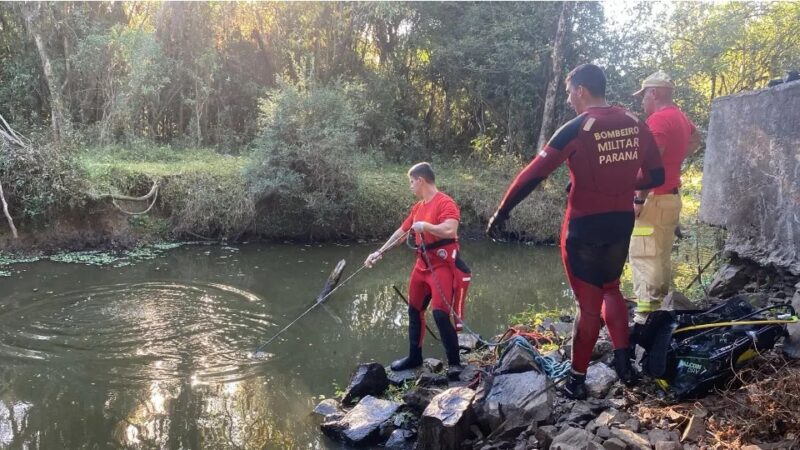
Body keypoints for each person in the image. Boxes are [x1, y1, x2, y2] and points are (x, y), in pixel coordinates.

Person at [486, 64, 665, 399]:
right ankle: (624, 364)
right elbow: (655, 177)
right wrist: (626, 183)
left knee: (587, 304)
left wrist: (502, 211)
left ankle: (577, 381)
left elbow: (534, 174)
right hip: (620, 223)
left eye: (569, 92)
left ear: (581, 89)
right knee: (611, 288)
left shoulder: (577, 128)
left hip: (583, 228)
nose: (569, 99)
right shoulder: (637, 124)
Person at [365, 162, 465, 379]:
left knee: (440, 313)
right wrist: (379, 252)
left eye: (411, 181)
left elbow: (450, 229)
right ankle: (414, 357)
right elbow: (401, 233)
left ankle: (455, 363)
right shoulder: (418, 208)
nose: (410, 186)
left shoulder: (445, 202)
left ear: (420, 180)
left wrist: (426, 227)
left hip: (441, 266)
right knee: (414, 310)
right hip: (422, 266)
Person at [630, 71, 701, 322]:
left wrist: (638, 198)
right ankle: (660, 307)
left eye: (643, 96)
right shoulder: (680, 118)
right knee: (661, 254)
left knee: (644, 254)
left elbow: (651, 166)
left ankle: (645, 317)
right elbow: (696, 139)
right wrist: (677, 157)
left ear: (654, 93)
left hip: (653, 199)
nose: (642, 103)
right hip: (671, 198)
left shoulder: (658, 121)